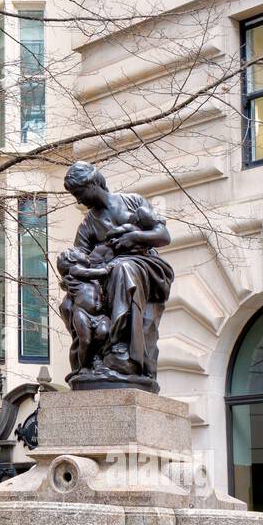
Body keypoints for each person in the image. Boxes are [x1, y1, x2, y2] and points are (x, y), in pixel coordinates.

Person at [62, 161, 174, 388]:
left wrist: (135, 238)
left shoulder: (133, 202)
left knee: (122, 269)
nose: (78, 200)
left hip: (146, 266)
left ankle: (122, 348)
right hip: (107, 273)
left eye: (79, 193)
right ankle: (91, 357)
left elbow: (163, 236)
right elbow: (77, 259)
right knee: (68, 303)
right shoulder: (87, 225)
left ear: (93, 183)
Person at [57, 246, 113, 376]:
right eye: (81, 254)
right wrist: (106, 270)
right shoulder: (75, 270)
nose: (86, 255)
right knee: (85, 340)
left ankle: (97, 359)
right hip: (82, 313)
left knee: (104, 333)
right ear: (72, 259)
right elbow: (90, 273)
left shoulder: (90, 279)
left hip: (100, 315)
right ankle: (84, 366)